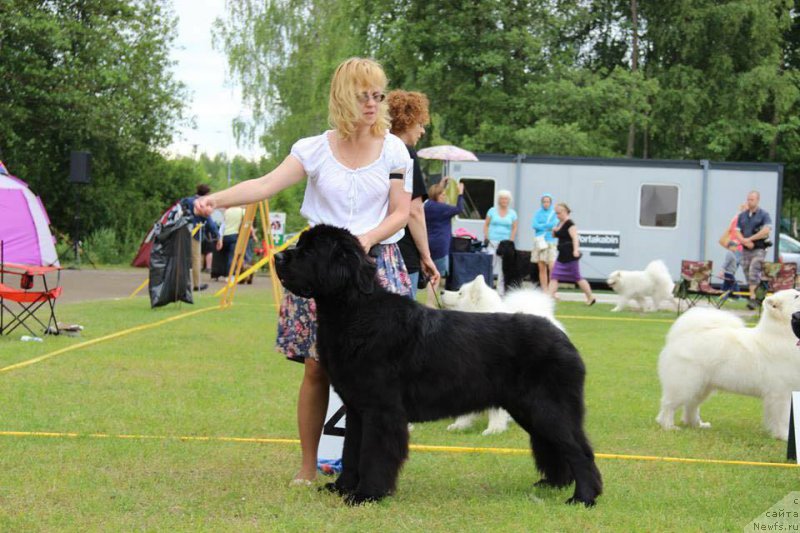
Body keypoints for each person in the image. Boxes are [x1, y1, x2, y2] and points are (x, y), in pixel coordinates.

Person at [194, 57, 413, 484]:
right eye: (363, 95)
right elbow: (263, 185)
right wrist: (216, 200)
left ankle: (372, 470)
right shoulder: (312, 149)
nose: (372, 104)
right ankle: (308, 467)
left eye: (378, 95)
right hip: (319, 269)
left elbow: (401, 211)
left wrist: (366, 239)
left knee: (382, 374)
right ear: (342, 97)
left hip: (375, 267)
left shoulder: (394, 150)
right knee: (317, 367)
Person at [387, 90, 440, 298]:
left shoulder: (378, 152)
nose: (422, 131)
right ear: (406, 122)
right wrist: (426, 256)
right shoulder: (405, 154)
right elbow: (414, 211)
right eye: (420, 124)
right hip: (403, 255)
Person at [424, 177, 466, 299]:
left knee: (428, 273)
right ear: (436, 195)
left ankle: (428, 299)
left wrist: (441, 184)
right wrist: (460, 193)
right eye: (442, 194)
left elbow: (433, 193)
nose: (445, 197)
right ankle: (431, 301)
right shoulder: (441, 208)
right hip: (440, 244)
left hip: (428, 243)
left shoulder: (427, 205)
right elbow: (459, 208)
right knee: (436, 275)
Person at [548, 202, 595, 305]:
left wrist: (575, 250)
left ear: (565, 212)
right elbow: (555, 235)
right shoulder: (559, 223)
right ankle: (548, 297)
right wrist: (554, 230)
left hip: (570, 255)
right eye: (556, 213)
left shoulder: (570, 224)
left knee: (577, 277)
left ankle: (590, 297)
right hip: (561, 255)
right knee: (554, 276)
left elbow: (575, 238)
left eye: (559, 213)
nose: (557, 215)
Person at [735, 191, 772, 309]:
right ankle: (757, 296)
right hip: (746, 249)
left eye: (752, 199)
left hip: (759, 248)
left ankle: (752, 298)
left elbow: (766, 230)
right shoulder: (742, 216)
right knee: (747, 272)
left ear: (757, 200)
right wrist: (744, 241)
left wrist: (750, 239)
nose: (749, 201)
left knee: (753, 268)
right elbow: (737, 231)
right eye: (748, 199)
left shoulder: (764, 215)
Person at [184, 183, 221, 291]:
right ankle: (196, 284)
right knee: (196, 259)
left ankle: (180, 283)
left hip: (183, 232)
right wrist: (217, 236)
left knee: (182, 258)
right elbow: (210, 222)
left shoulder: (188, 200)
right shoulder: (202, 204)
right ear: (207, 194)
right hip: (195, 234)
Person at [482, 190, 518, 293]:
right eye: (502, 198)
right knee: (491, 265)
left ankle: (500, 290)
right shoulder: (492, 211)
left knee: (504, 268)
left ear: (509, 200)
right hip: (492, 242)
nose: (504, 200)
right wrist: (486, 236)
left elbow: (514, 227)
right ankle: (488, 288)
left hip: (505, 244)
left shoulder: (513, 213)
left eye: (506, 198)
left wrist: (511, 239)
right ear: (498, 200)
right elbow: (486, 224)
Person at [531, 193, 558, 289]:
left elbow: (554, 224)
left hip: (550, 241)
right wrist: (545, 227)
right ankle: (544, 289)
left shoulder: (554, 213)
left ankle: (552, 289)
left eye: (548, 202)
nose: (546, 204)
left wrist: (541, 226)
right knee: (541, 267)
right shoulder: (538, 213)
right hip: (540, 241)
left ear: (551, 203)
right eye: (544, 202)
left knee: (552, 267)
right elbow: (534, 225)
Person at [719, 203, 746, 296]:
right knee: (731, 272)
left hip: (738, 248)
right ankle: (735, 293)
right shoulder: (740, 219)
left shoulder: (736, 218)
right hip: (738, 248)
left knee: (730, 273)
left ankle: (726, 292)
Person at [220, 205, 246, 278]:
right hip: (234, 235)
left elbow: (223, 224)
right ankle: (230, 275)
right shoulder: (241, 211)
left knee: (225, 256)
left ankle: (224, 274)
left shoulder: (227, 211)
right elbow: (247, 220)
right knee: (232, 257)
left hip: (225, 235)